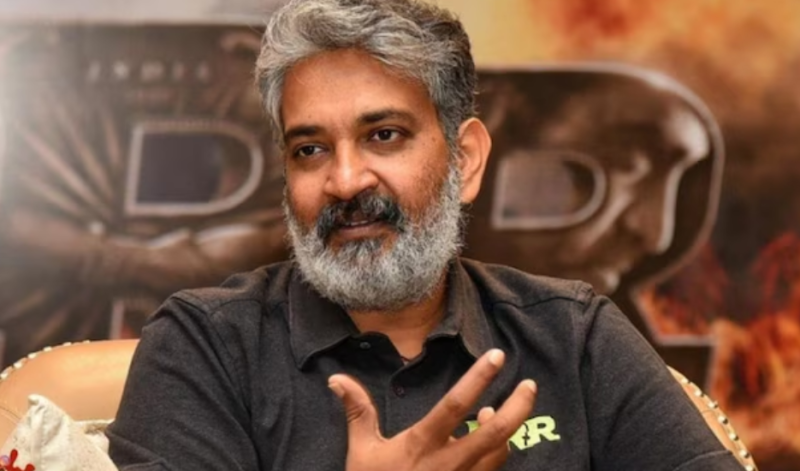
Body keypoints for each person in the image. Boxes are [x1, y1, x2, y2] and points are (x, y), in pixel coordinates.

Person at [107, 0, 742, 470]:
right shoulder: (205, 347)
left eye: (384, 135)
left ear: (465, 161)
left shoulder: (574, 336)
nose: (345, 181)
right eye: (310, 149)